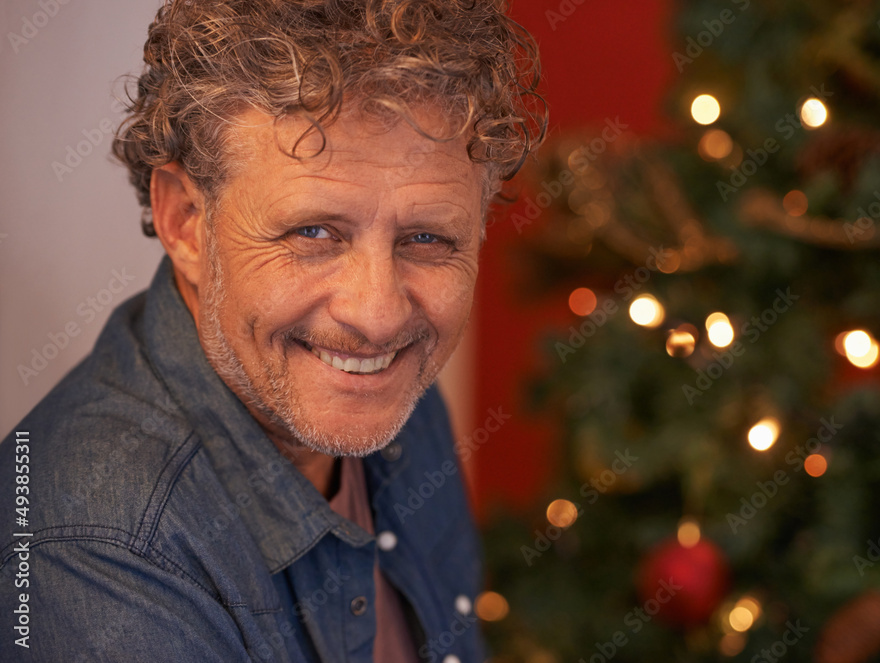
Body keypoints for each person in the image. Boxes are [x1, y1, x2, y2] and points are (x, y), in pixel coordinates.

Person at [0, 0, 544, 660]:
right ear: (185, 221)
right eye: (313, 232)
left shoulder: (398, 398)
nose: (378, 317)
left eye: (427, 238)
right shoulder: (98, 553)